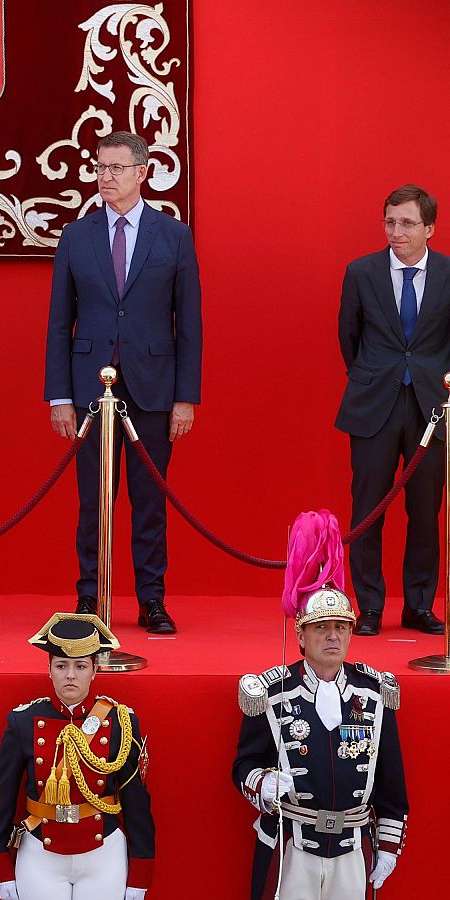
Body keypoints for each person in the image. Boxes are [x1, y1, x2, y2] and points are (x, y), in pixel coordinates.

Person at [43, 131, 202, 635]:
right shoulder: (77, 235)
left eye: (115, 168)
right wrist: (60, 396)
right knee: (93, 499)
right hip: (90, 388)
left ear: (142, 173)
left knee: (150, 500)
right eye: (99, 167)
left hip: (153, 387)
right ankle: (89, 594)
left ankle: (152, 599)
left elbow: (189, 322)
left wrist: (185, 397)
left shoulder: (173, 235)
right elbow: (58, 322)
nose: (105, 177)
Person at [231, 512, 406, 899]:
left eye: (340, 627)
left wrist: (388, 846)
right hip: (292, 844)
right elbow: (244, 764)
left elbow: (391, 782)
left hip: (352, 848)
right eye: (321, 627)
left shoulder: (375, 693)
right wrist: (262, 783)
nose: (332, 636)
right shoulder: (271, 692)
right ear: (301, 636)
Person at [335, 184, 448, 637]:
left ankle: (419, 605)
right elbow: (348, 337)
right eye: (389, 222)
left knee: (426, 512)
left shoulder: (447, 273)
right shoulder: (361, 272)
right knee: (368, 510)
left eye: (406, 223)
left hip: (431, 408)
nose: (396, 232)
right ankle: (369, 607)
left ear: (429, 228)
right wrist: (372, 375)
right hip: (373, 404)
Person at [0, 612, 156, 900]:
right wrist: (0, 867)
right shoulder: (23, 721)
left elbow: (136, 801)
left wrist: (141, 871)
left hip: (104, 851)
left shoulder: (121, 722)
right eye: (61, 665)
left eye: (80, 666)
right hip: (40, 851)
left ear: (94, 670)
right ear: (49, 669)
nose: (70, 675)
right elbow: (3, 798)